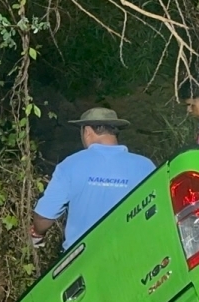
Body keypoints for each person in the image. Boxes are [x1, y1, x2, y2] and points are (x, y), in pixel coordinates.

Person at [31, 107, 156, 250]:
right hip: (133, 254)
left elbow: (44, 216)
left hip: (82, 260)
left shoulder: (70, 165)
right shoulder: (145, 166)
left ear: (87, 131)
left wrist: (37, 234)